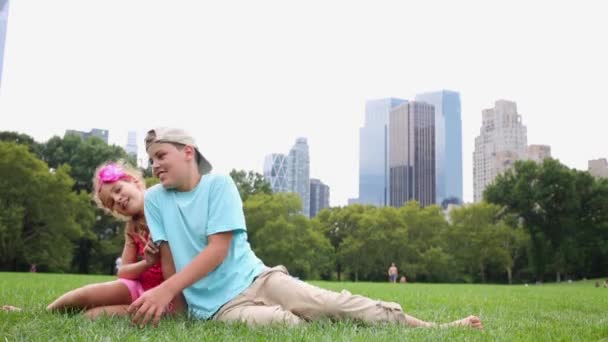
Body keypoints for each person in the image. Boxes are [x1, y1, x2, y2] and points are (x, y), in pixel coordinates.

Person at [128, 127, 483, 330]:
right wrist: (177, 309)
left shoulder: (219, 185)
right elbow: (169, 255)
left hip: (258, 278)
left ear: (188, 152)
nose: (155, 165)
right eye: (151, 160)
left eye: (162, 156)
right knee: (290, 327)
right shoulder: (156, 200)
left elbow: (218, 250)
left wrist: (165, 290)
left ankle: (435, 329)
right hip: (219, 309)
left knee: (334, 304)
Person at [46, 161, 185, 319]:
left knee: (91, 316)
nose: (117, 199)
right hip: (140, 287)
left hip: (170, 297)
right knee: (85, 294)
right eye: (112, 203)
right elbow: (123, 272)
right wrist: (147, 262)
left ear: (134, 182)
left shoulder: (165, 204)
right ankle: (44, 312)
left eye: (118, 190)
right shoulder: (132, 229)